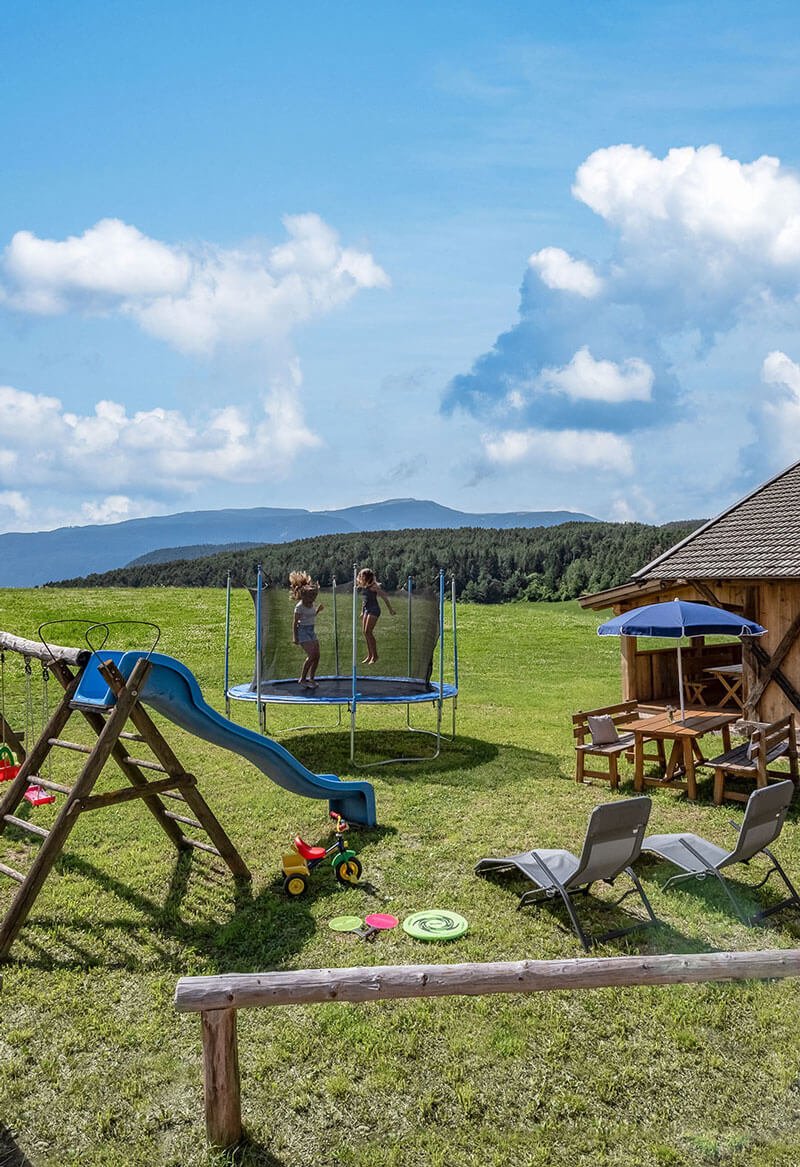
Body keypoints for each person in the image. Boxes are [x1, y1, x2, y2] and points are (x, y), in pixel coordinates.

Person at [289, 571, 324, 687]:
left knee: (317, 655)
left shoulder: (312, 604)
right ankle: (302, 679)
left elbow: (311, 615)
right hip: (302, 631)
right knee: (312, 655)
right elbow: (295, 622)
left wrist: (318, 610)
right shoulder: (299, 607)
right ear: (303, 595)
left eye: (314, 596)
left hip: (311, 630)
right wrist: (295, 637)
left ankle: (312, 678)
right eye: (310, 596)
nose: (313, 599)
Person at [356, 567, 395, 664]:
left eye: (362, 576)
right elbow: (364, 600)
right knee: (365, 632)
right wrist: (362, 611)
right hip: (366, 609)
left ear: (366, 577)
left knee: (368, 631)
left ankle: (375, 656)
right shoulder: (364, 586)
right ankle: (369, 655)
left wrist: (390, 609)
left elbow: (384, 597)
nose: (360, 577)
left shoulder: (374, 586)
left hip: (374, 610)